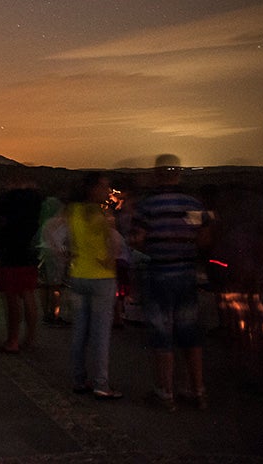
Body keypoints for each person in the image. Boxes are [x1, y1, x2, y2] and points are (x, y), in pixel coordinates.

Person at [131, 154, 211, 411]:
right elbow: (204, 237)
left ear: (157, 174)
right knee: (189, 332)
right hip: (186, 272)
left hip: (159, 273)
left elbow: (139, 238)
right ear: (179, 173)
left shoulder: (147, 205)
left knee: (162, 333)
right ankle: (197, 391)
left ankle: (165, 393)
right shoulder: (192, 204)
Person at [68, 172, 122, 399]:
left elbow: (70, 243)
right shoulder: (103, 215)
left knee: (79, 332)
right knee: (100, 334)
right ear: (93, 189)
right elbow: (113, 245)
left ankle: (79, 379)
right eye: (104, 186)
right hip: (101, 278)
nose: (107, 191)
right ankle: (101, 383)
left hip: (79, 275)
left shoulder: (73, 212)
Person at [0, 174, 42, 353]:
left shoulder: (8, 200)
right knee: (28, 294)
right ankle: (29, 338)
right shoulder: (35, 200)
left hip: (10, 253)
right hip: (29, 253)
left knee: (12, 298)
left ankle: (12, 340)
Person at [39, 197, 70, 327]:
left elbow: (46, 239)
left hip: (44, 254)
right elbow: (63, 241)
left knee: (45, 286)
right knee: (55, 286)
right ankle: (55, 315)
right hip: (55, 256)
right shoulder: (63, 222)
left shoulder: (46, 223)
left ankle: (47, 314)